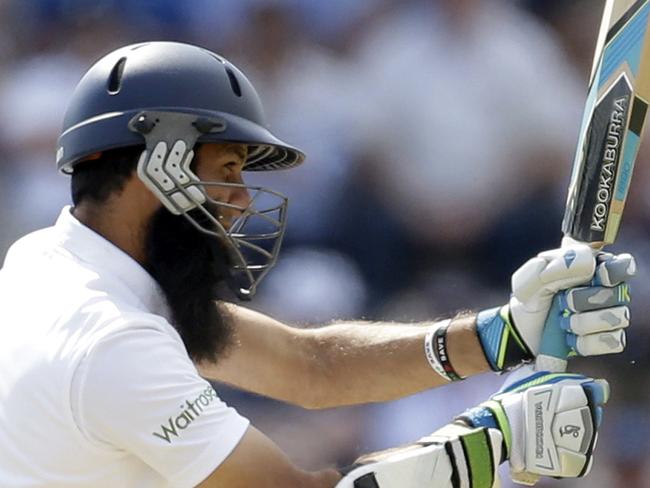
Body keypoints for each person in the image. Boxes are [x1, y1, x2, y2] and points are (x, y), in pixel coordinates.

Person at [0, 42, 634, 488]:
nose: (243, 199)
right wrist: (492, 446)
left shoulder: (46, 262)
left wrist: (504, 335)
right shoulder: (111, 340)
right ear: (155, 171)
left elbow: (313, 367)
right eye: (226, 172)